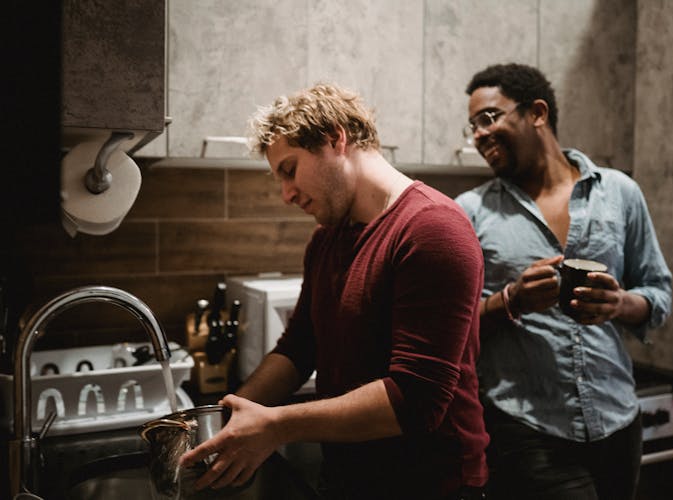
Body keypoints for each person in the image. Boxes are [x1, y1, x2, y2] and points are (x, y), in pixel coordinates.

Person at [180, 83, 489, 500]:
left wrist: (275, 425)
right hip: (349, 477)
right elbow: (299, 347)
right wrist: (225, 418)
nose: (286, 194)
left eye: (289, 170)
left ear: (335, 139)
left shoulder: (432, 229)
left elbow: (416, 399)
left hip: (432, 483)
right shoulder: (328, 239)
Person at [454, 63, 672, 500]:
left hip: (618, 420)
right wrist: (510, 300)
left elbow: (658, 294)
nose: (478, 134)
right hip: (526, 427)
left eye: (489, 118)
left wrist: (619, 304)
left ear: (537, 112)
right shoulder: (468, 212)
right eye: (472, 125)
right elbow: (451, 328)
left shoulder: (619, 192)